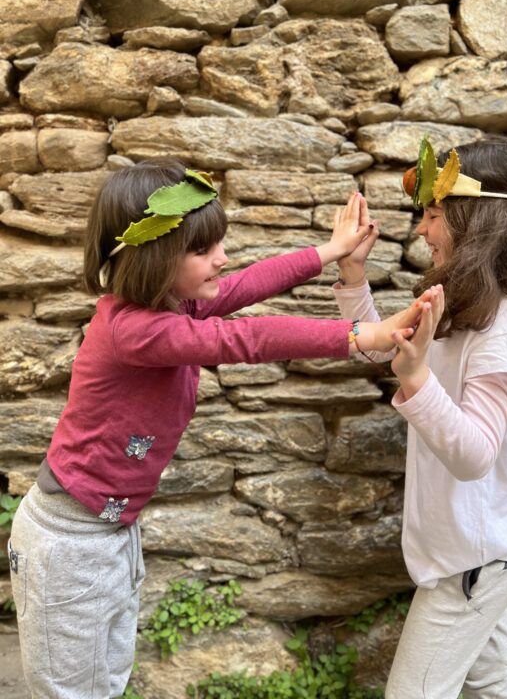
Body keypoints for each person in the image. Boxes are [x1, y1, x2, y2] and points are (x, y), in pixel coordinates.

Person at [8, 158, 425, 699]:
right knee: (71, 691)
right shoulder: (134, 330)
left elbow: (243, 285)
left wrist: (329, 252)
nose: (222, 259)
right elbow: (243, 339)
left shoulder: (172, 309)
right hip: (72, 541)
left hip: (110, 530)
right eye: (202, 251)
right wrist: (360, 335)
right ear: (153, 256)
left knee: (102, 680)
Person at [333, 135, 507, 699]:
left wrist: (415, 379)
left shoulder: (506, 336)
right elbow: (388, 346)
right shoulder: (468, 300)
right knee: (488, 686)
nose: (421, 230)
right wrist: (355, 279)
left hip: (478, 559)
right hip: (486, 547)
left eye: (434, 215)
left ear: (481, 223)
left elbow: (475, 455)